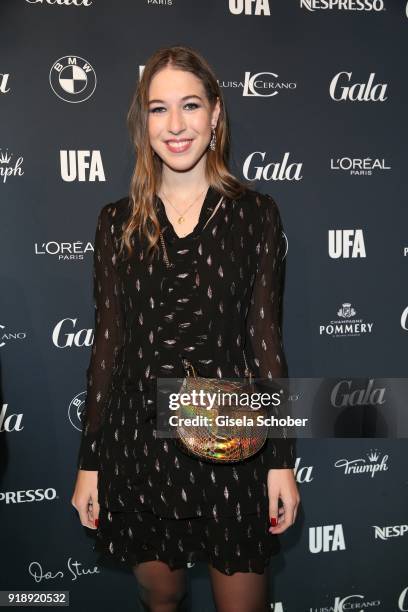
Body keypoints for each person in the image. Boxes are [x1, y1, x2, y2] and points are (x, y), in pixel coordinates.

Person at [71, 45, 300, 612]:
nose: (175, 125)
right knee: (161, 597)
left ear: (216, 113)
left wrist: (282, 461)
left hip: (229, 437)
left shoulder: (256, 214)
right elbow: (108, 346)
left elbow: (266, 344)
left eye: (190, 105)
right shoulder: (115, 222)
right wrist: (90, 462)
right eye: (158, 108)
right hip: (138, 440)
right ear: (142, 121)